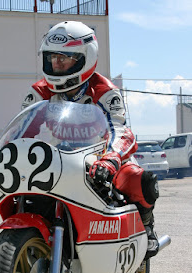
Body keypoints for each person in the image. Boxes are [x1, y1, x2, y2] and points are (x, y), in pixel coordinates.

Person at [21, 21, 159, 259]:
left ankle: (147, 228)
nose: (57, 63)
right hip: (61, 159)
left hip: (103, 156)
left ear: (86, 57)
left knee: (140, 180)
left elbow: (121, 130)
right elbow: (23, 131)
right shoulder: (40, 91)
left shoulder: (104, 91)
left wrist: (111, 159)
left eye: (65, 57)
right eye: (52, 57)